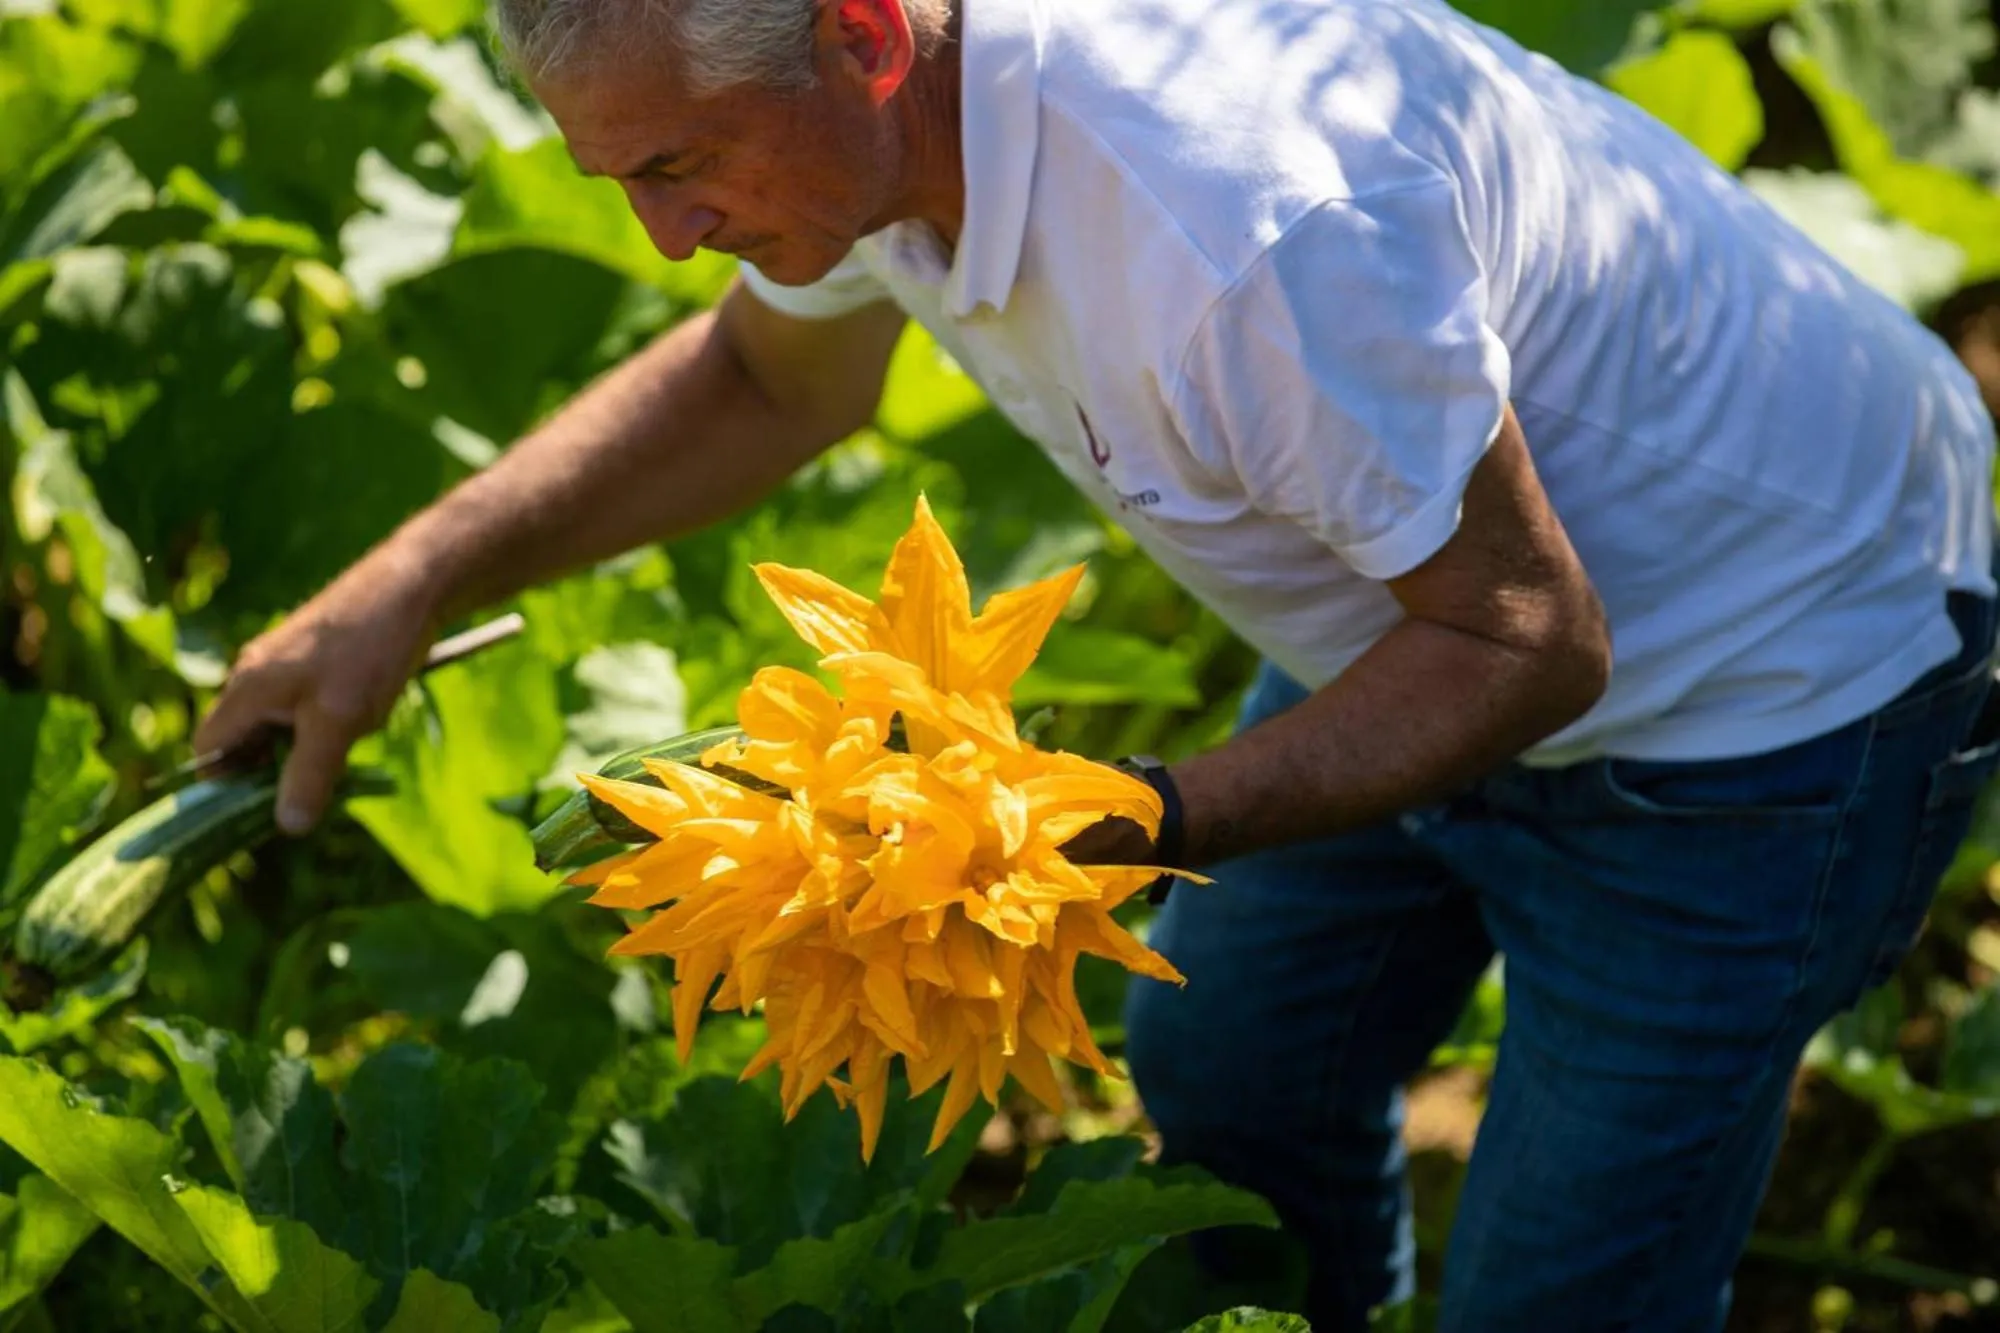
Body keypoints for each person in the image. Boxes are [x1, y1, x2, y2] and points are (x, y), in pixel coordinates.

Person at [192, 0, 2000, 1327]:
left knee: (1560, 1300)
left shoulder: (1235, 236)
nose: (668, 234)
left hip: (1773, 685)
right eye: (625, 178)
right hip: (1422, 606)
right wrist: (405, 587)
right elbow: (764, 382)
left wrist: (1111, 823)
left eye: (678, 168)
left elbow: (1534, 644)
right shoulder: (868, 136)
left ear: (865, 34)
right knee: (1229, 1081)